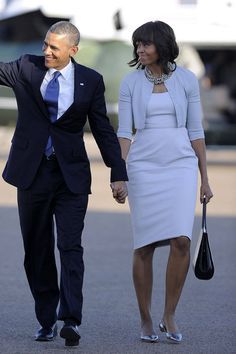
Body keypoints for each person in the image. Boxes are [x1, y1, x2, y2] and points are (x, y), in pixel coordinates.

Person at [0, 21, 128, 347]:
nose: (46, 52)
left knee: (70, 247)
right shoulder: (25, 67)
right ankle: (46, 319)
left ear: (73, 50)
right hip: (32, 174)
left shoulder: (91, 81)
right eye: (45, 44)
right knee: (37, 250)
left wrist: (118, 171)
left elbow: (101, 128)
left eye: (54, 48)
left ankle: (70, 319)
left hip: (70, 176)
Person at [117, 20, 213, 343]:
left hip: (181, 166)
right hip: (143, 165)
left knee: (182, 241)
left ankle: (169, 314)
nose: (140, 50)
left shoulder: (186, 80)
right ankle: (145, 318)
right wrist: (120, 172)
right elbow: (124, 132)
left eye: (146, 44)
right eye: (137, 45)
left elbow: (195, 131)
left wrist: (205, 178)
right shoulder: (130, 83)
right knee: (143, 245)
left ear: (163, 45)